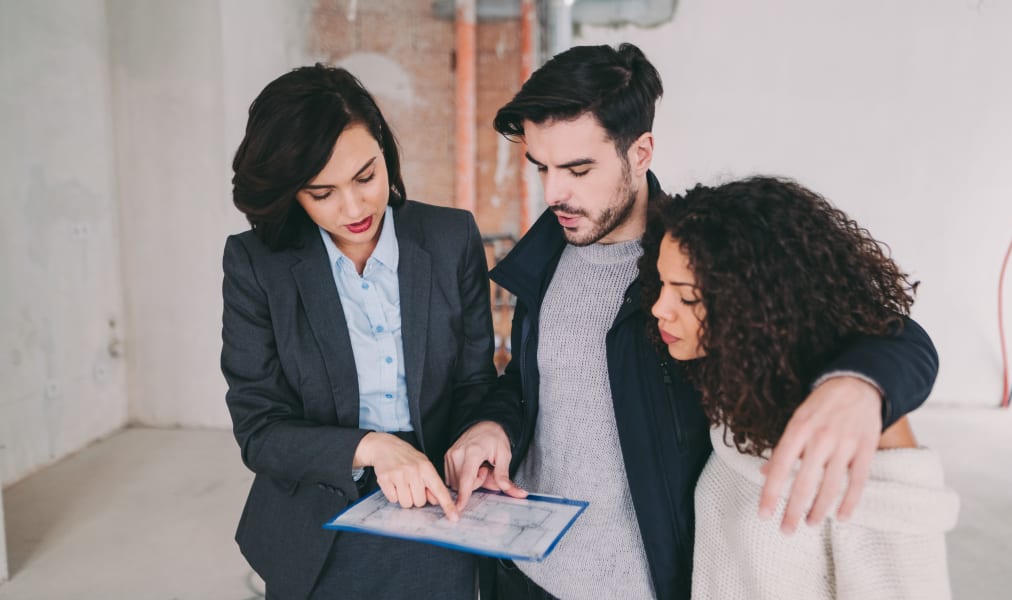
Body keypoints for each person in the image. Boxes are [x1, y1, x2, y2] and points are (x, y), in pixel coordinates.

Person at [444, 43, 939, 600]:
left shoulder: (696, 258)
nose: (553, 192)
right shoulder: (544, 257)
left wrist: (859, 385)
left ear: (641, 151)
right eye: (542, 168)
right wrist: (494, 425)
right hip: (527, 573)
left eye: (578, 169)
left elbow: (891, 334)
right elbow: (535, 381)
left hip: (646, 583)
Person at [221, 64, 495, 599]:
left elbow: (475, 384)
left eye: (366, 177)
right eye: (321, 193)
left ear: (385, 155)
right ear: (292, 194)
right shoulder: (258, 264)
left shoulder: (450, 237)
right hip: (320, 508)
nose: (353, 209)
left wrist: (481, 433)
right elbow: (260, 431)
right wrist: (374, 448)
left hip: (440, 497)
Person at [644, 176, 959, 599]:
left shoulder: (854, 430)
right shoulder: (738, 392)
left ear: (753, 302)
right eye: (663, 285)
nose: (659, 309)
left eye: (687, 297)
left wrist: (864, 385)